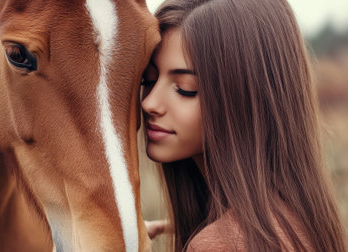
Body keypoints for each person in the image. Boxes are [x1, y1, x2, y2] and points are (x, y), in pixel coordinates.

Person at [141, 0, 347, 251]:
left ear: (247, 100)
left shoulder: (219, 244)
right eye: (149, 80)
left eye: (185, 88)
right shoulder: (299, 221)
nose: (150, 102)